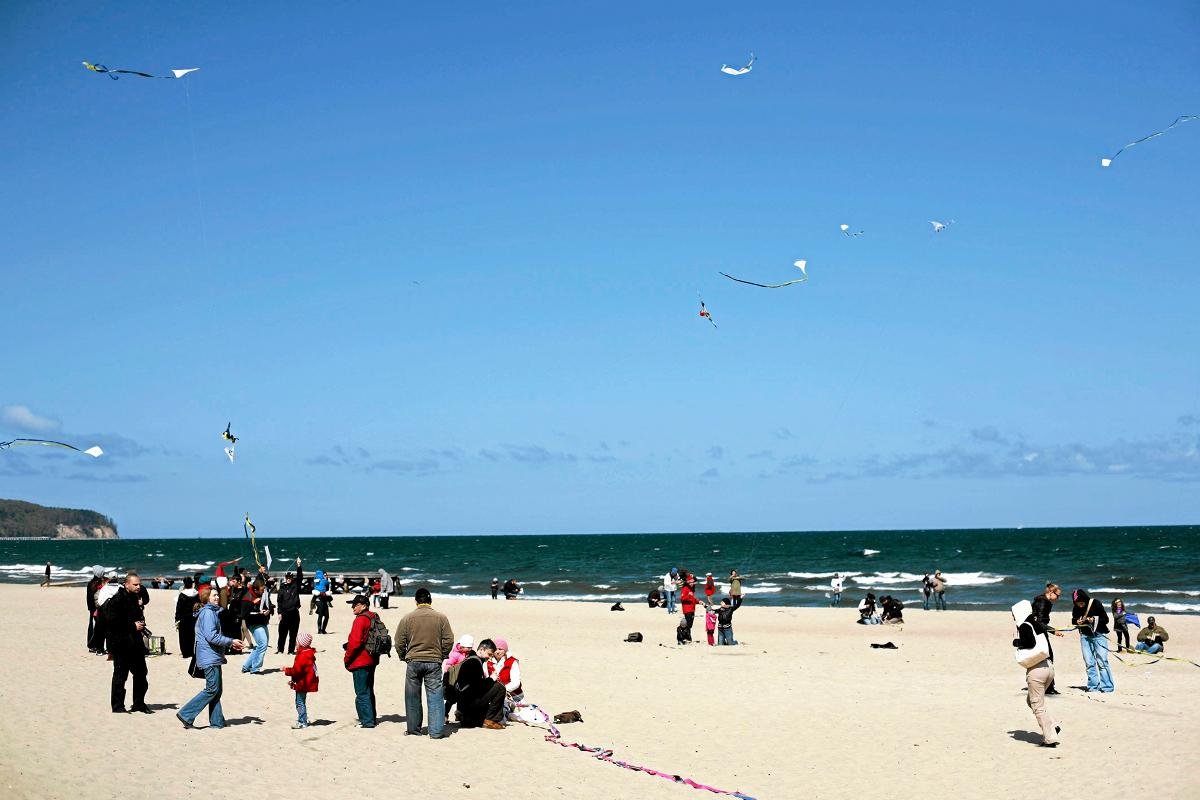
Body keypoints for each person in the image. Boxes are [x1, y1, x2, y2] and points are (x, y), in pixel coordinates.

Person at [177, 586, 246, 729]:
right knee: (212, 689)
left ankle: (217, 722)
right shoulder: (208, 613)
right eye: (213, 595)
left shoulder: (212, 612)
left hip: (212, 656)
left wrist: (230, 643)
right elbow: (211, 636)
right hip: (209, 656)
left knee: (216, 690)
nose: (217, 598)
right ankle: (186, 714)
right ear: (206, 598)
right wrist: (231, 641)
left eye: (217, 596)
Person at [395, 587, 454, 738]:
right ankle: (435, 732)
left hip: (413, 660)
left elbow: (399, 641)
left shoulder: (407, 618)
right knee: (435, 696)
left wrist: (403, 656)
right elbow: (448, 639)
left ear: (416, 602)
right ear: (430, 601)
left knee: (412, 697)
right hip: (434, 661)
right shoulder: (441, 617)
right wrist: (442, 655)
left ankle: (414, 730)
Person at [1011, 600, 1060, 747]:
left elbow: (1030, 644)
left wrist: (1017, 642)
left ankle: (1051, 738)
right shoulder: (1037, 623)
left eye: (1014, 614)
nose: (1013, 617)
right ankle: (1053, 725)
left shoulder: (1025, 625)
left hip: (1037, 670)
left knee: (1037, 705)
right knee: (1032, 701)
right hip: (1048, 667)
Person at [104, 571, 152, 713]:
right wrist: (132, 626)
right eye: (135, 584)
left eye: (139, 584)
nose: (138, 587)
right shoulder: (117, 600)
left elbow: (140, 608)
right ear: (126, 585)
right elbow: (112, 622)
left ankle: (139, 704)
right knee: (120, 675)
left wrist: (140, 624)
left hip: (135, 643)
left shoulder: (135, 597)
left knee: (141, 673)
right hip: (121, 644)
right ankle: (118, 706)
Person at [453, 639, 507, 729]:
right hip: (468, 705)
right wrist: (491, 679)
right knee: (500, 687)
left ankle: (476, 718)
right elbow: (477, 688)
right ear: (481, 649)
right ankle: (490, 720)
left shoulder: (470, 659)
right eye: (489, 654)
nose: (489, 658)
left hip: (463, 705)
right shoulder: (474, 663)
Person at [344, 594, 379, 728]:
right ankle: (371, 717)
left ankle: (367, 721)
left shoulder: (360, 620)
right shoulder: (374, 616)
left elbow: (355, 642)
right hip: (372, 658)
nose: (352, 607)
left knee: (362, 692)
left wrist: (347, 659)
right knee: (369, 689)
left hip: (361, 660)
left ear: (363, 606)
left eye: (355, 605)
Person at [1070, 589, 1114, 693]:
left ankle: (1107, 687)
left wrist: (1094, 619)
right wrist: (1077, 621)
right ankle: (1093, 687)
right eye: (1076, 603)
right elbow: (1073, 620)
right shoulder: (1076, 607)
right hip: (1085, 636)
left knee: (1102, 661)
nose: (1079, 605)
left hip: (1099, 635)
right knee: (1089, 662)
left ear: (1084, 599)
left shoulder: (1095, 603)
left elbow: (1106, 619)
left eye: (1080, 602)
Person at [1031, 583, 1065, 695]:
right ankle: (1049, 687)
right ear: (1051, 592)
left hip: (1037, 632)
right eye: (1057, 595)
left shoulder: (1041, 600)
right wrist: (1053, 631)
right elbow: (1039, 622)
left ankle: (1046, 686)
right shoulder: (1043, 602)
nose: (1058, 598)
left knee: (1044, 658)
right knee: (1048, 657)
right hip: (1039, 632)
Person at [284, 632, 319, 729]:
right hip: (305, 682)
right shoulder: (308, 653)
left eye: (297, 642)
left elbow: (297, 671)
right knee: (301, 701)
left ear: (301, 644)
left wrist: (286, 670)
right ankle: (304, 717)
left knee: (299, 702)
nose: (295, 644)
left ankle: (302, 721)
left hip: (303, 683)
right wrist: (293, 681)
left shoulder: (303, 656)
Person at [240, 577, 272, 674]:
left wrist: (270, 609)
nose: (263, 592)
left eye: (264, 590)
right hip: (253, 623)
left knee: (261, 645)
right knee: (262, 644)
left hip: (262, 622)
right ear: (255, 589)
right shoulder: (247, 598)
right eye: (262, 590)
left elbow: (268, 604)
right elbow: (245, 615)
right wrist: (259, 613)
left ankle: (246, 666)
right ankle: (255, 668)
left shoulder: (263, 594)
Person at [276, 558, 304, 655]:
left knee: (293, 633)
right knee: (282, 633)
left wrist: (299, 566)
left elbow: (300, 577)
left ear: (292, 578)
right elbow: (279, 601)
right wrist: (279, 612)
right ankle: (280, 650)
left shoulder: (295, 586)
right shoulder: (282, 588)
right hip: (284, 613)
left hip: (294, 613)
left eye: (290, 577)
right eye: (287, 577)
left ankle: (291, 651)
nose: (288, 579)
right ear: (285, 578)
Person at [489, 638, 524, 704]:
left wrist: (501, 691)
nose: (497, 652)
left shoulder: (512, 661)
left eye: (500, 649)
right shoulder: (488, 662)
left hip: (514, 697)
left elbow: (516, 683)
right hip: (494, 697)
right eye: (495, 649)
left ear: (505, 650)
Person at [174, 577, 199, 659]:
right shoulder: (196, 593)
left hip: (184, 618)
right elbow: (198, 605)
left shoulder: (182, 594)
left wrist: (177, 618)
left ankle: (185, 652)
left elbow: (179, 608)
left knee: (183, 635)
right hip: (193, 617)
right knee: (192, 634)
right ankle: (192, 651)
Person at [86, 566, 106, 653]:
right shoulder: (93, 584)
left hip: (96, 608)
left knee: (98, 627)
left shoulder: (95, 582)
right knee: (94, 627)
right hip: (95, 608)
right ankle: (91, 645)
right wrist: (92, 609)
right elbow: (90, 598)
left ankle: (96, 645)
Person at [679, 577, 702, 642]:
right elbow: (682, 599)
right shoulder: (685, 589)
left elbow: (693, 599)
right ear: (688, 582)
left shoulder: (690, 589)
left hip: (692, 609)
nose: (692, 583)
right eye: (691, 582)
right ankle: (687, 638)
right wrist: (688, 595)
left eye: (693, 582)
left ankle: (686, 638)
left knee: (690, 625)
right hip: (687, 609)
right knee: (688, 625)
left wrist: (698, 601)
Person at [313, 569, 332, 634]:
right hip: (319, 600)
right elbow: (315, 590)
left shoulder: (326, 582)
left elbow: (328, 592)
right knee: (320, 615)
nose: (326, 576)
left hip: (325, 600)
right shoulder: (318, 582)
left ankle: (323, 629)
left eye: (326, 575)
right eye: (324, 575)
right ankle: (319, 630)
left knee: (327, 616)